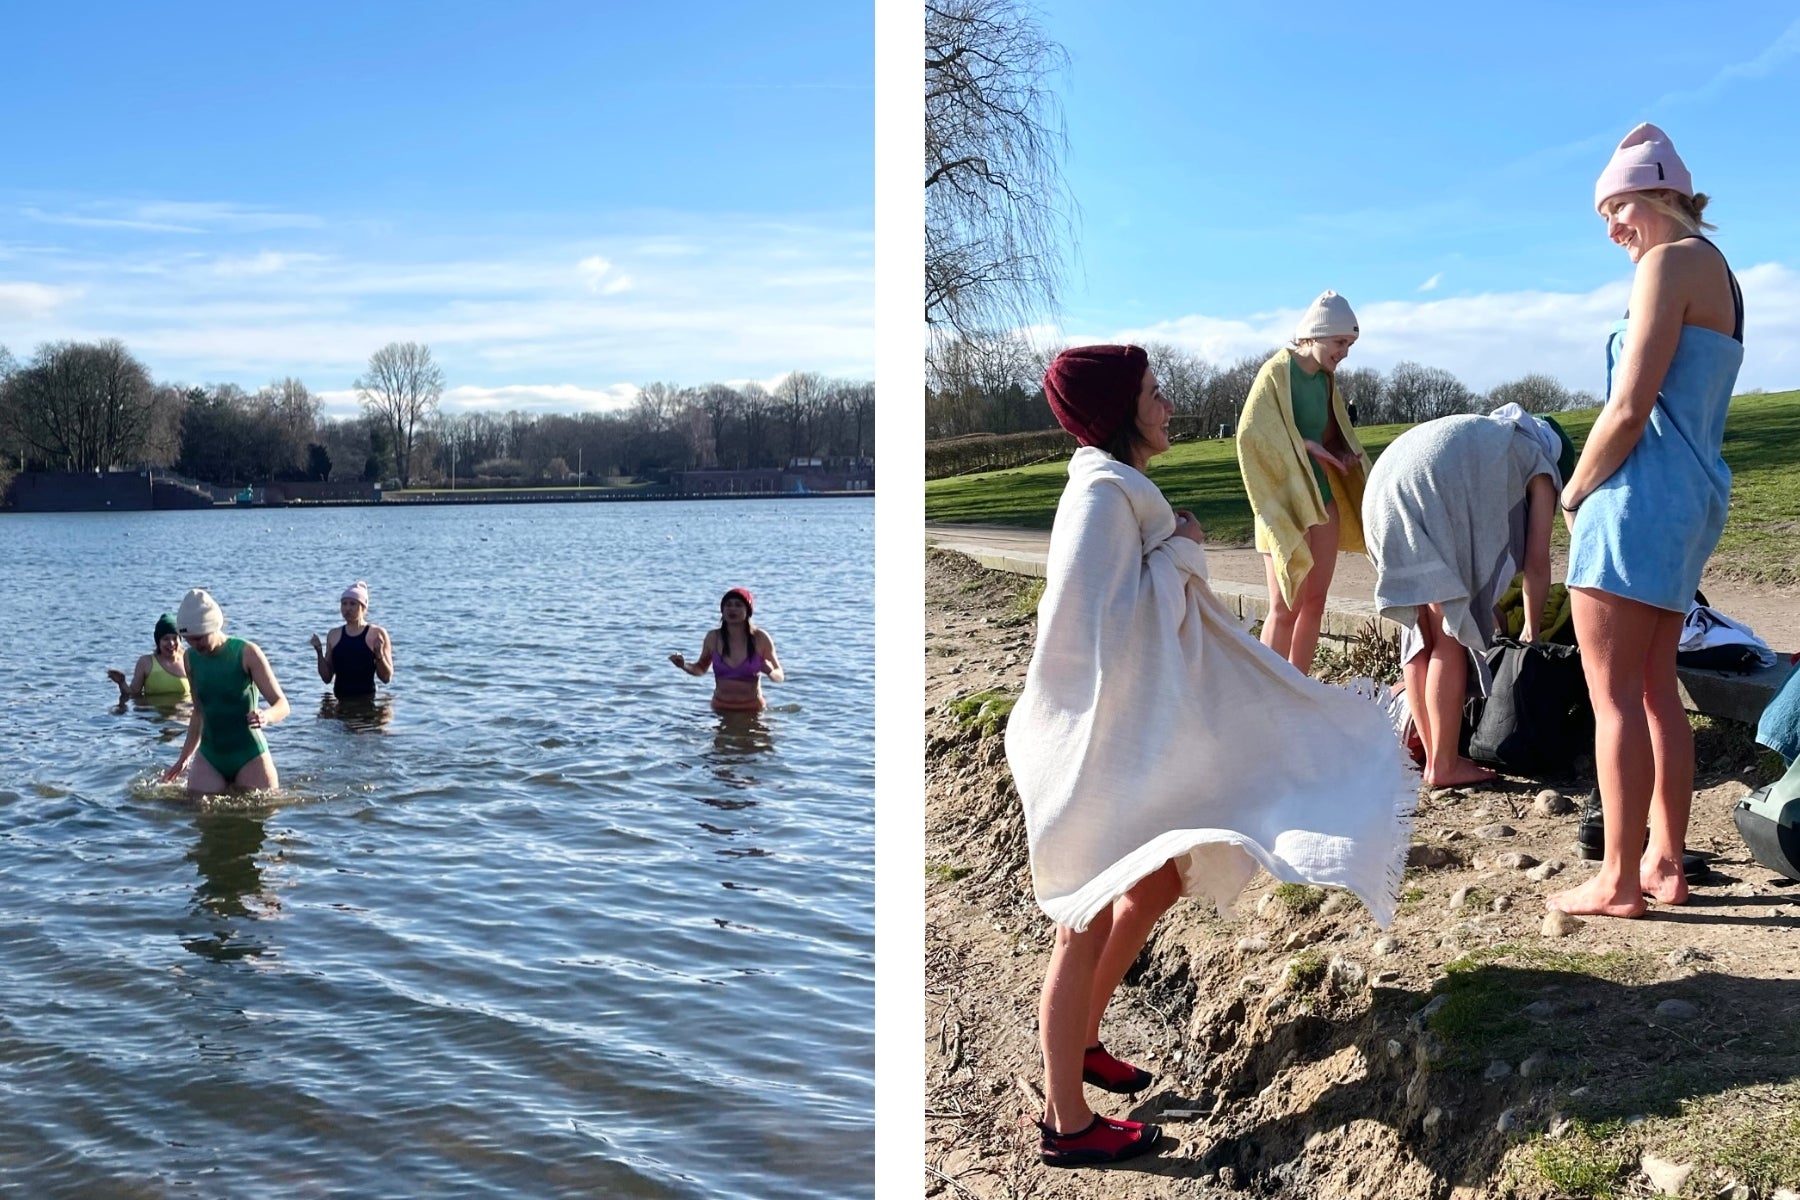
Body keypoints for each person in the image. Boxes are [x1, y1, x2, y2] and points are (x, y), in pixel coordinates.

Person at [1007, 345, 1416, 1168]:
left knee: (1155, 880)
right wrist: (1184, 548)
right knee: (1079, 921)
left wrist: (1174, 548)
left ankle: (1081, 1044)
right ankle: (1067, 1123)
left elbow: (1134, 605)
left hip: (1117, 736)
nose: (1167, 406)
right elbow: (1092, 628)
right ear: (1121, 410)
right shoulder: (1099, 495)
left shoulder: (1116, 489)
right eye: (1155, 394)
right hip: (1089, 744)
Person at [1548, 123, 1744, 918]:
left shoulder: (1668, 264)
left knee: (1614, 696)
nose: (1611, 227)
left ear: (1662, 191)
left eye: (1619, 205)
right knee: (1659, 689)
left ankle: (1618, 879)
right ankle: (1665, 864)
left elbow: (1628, 410)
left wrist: (1573, 492)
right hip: (1693, 498)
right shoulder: (1723, 275)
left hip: (1637, 497)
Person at [1362, 406, 1578, 786]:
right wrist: (1531, 631)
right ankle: (1444, 765)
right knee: (1449, 634)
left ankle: (1433, 759)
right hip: (1424, 495)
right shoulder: (1539, 460)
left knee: (1419, 634)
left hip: (1381, 494)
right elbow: (1537, 563)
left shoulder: (1491, 435)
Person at [1237, 291, 1374, 673]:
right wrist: (1304, 445)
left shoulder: (1326, 381)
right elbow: (1252, 436)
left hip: (1322, 498)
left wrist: (1341, 453)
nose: (1344, 352)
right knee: (1284, 607)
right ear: (1315, 335)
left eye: (1349, 344)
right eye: (1340, 342)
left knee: (1314, 601)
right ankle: (1269, 691)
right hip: (1283, 504)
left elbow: (1331, 433)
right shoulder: (1276, 372)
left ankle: (1302, 691)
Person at [161, 588, 290, 794]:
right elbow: (198, 711)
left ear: (214, 626)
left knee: (260, 810)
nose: (195, 645)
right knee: (197, 811)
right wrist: (184, 759)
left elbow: (282, 704)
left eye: (200, 638)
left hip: (249, 754)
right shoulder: (190, 658)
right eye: (190, 640)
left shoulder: (247, 653)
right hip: (210, 755)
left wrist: (267, 715)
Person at [669, 588, 784, 712]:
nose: (732, 609)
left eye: (738, 605)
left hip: (752, 710)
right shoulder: (713, 637)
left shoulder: (760, 638)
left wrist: (770, 672)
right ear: (722, 610)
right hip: (720, 709)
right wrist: (683, 665)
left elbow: (780, 675)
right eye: (728, 605)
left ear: (748, 611)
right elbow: (700, 669)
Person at [310, 581, 394, 699]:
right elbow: (326, 678)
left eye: (353, 604)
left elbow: (386, 678)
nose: (347, 608)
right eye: (344, 604)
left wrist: (379, 655)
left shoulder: (377, 633)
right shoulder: (334, 635)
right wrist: (319, 652)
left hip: (366, 702)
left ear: (363, 607)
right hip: (340, 702)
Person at [108, 613, 191, 702]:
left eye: (174, 638)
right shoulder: (146, 662)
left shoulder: (189, 659)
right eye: (166, 639)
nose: (171, 643)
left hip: (184, 714)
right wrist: (121, 682)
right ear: (158, 642)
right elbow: (133, 693)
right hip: (155, 714)